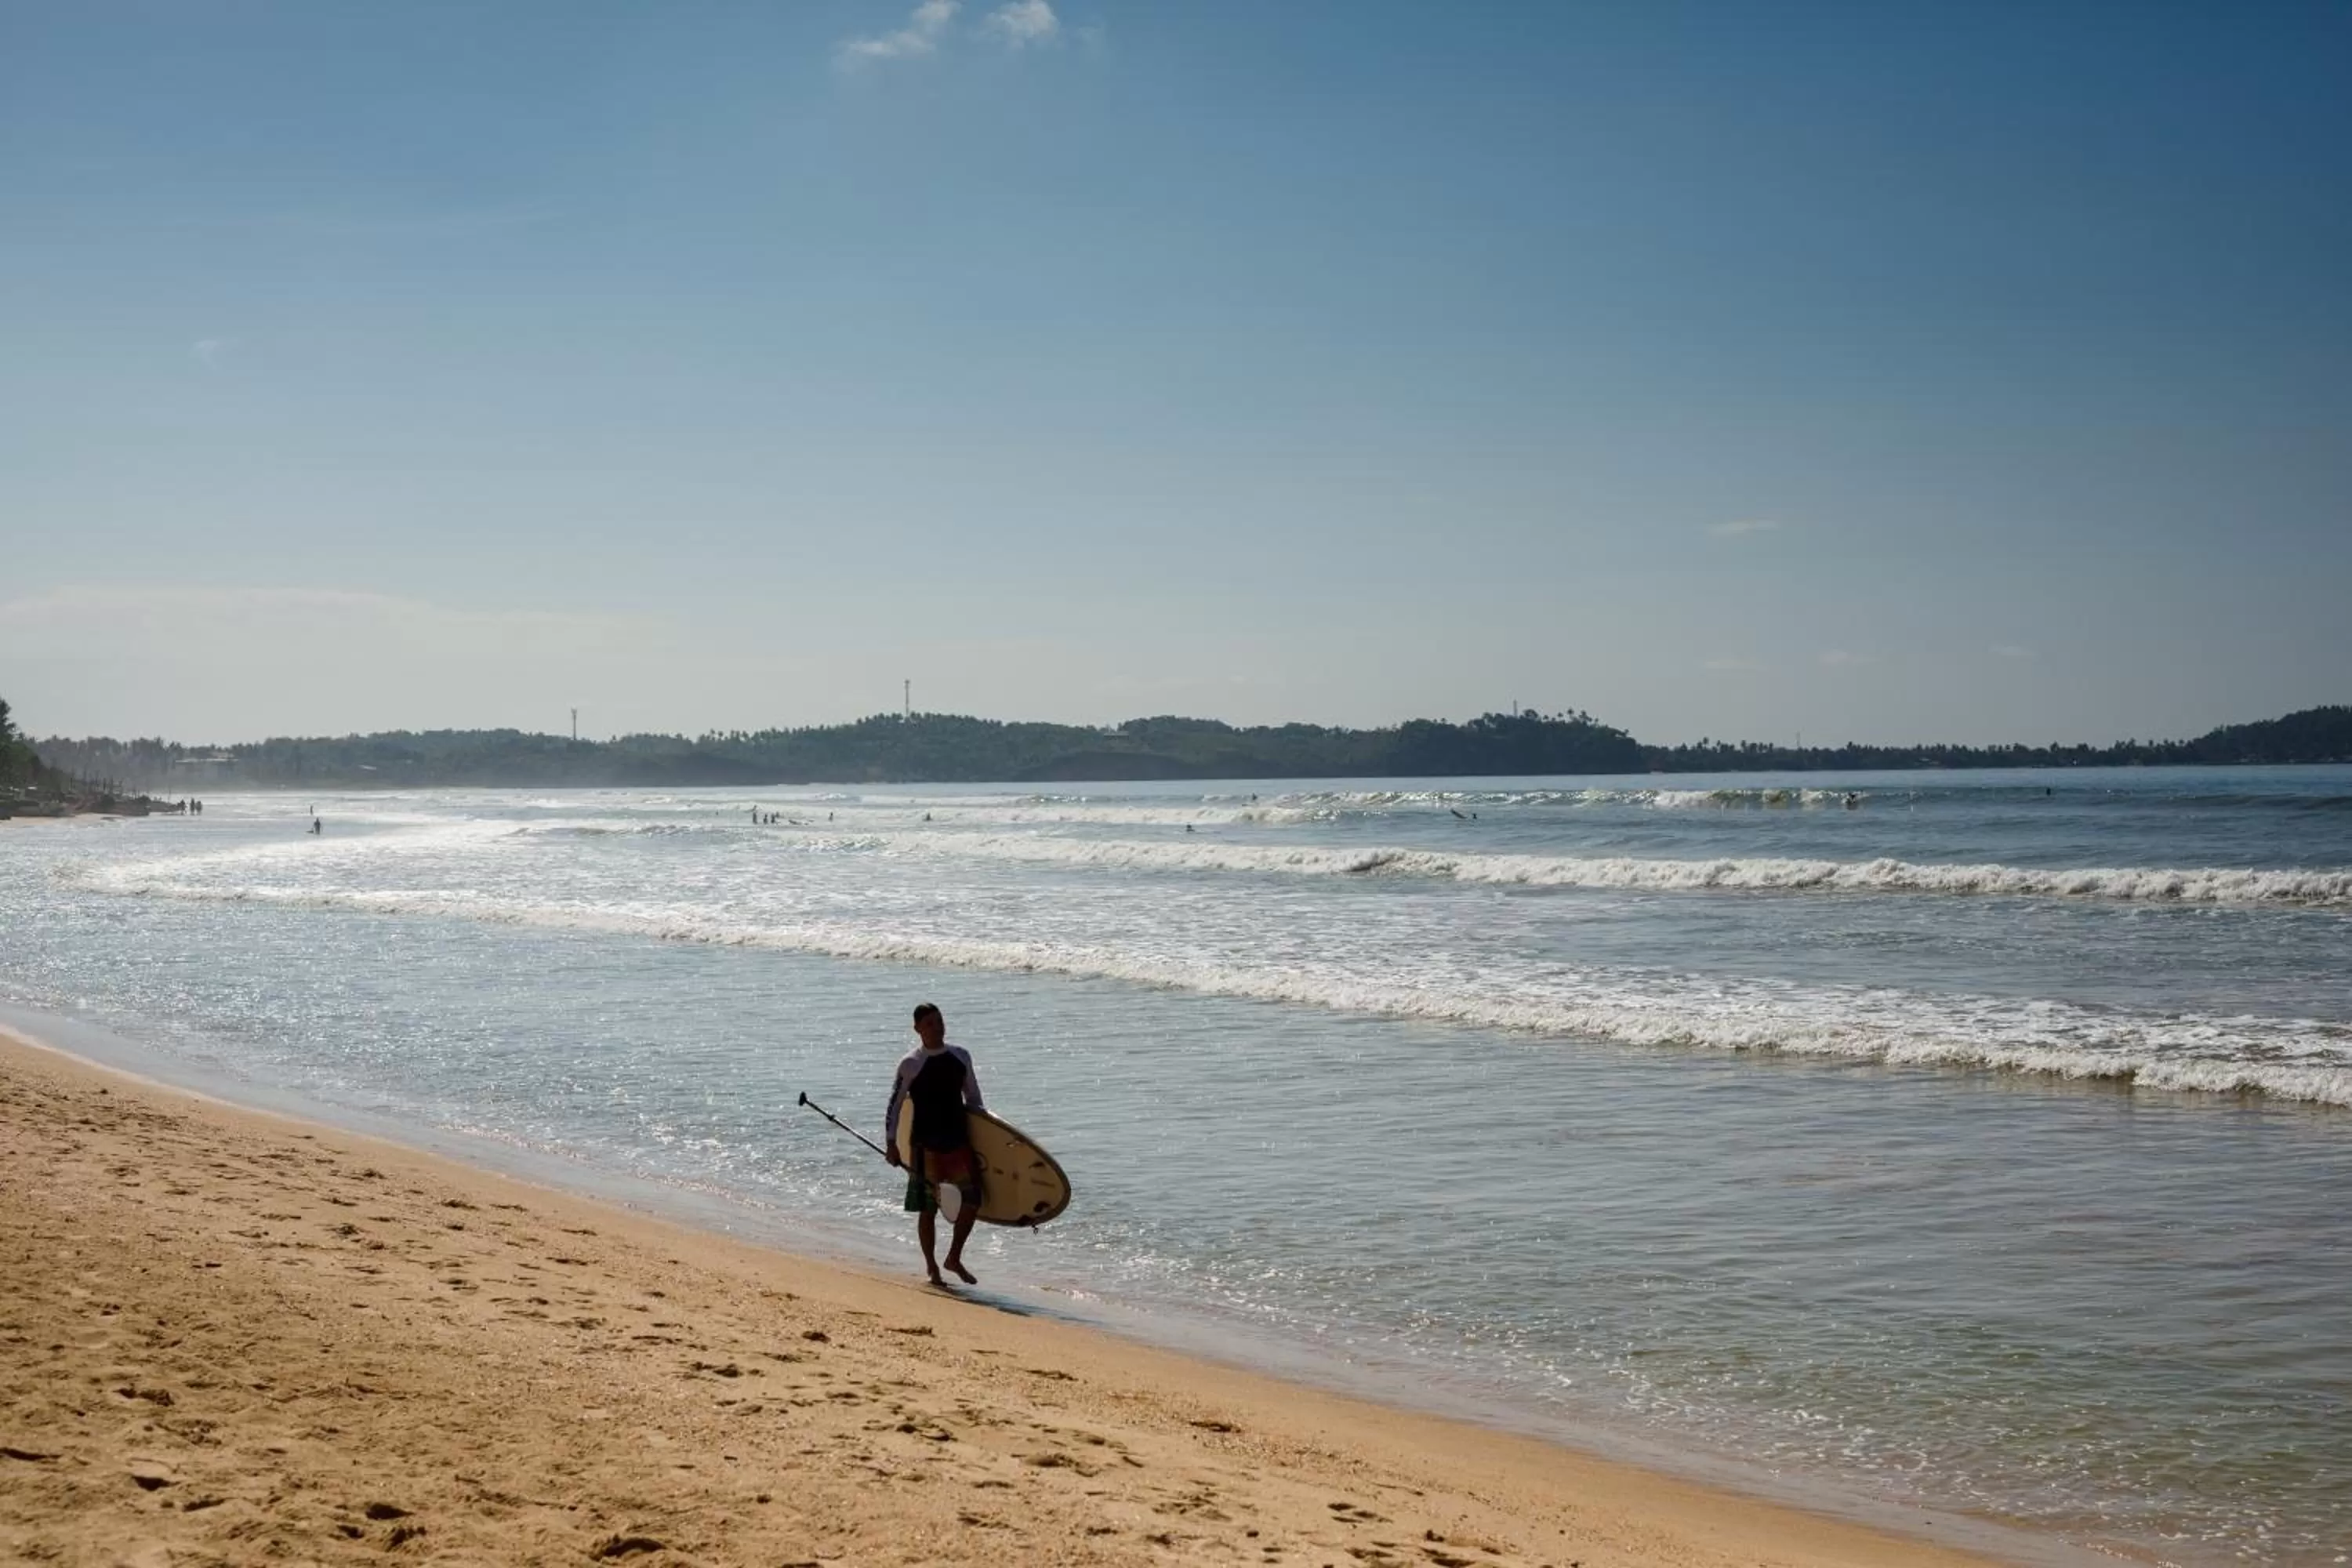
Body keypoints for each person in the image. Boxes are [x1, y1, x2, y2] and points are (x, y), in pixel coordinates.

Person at [884, 1002, 985, 1287]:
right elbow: (894, 1106)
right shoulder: (911, 1064)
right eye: (929, 1023)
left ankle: (953, 1257)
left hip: (957, 1141)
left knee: (974, 1199)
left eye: (939, 1021)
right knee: (927, 1208)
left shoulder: (960, 1056)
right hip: (924, 1145)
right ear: (917, 1029)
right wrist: (892, 1143)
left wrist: (988, 1142)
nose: (936, 1027)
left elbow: (975, 1100)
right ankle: (932, 1267)